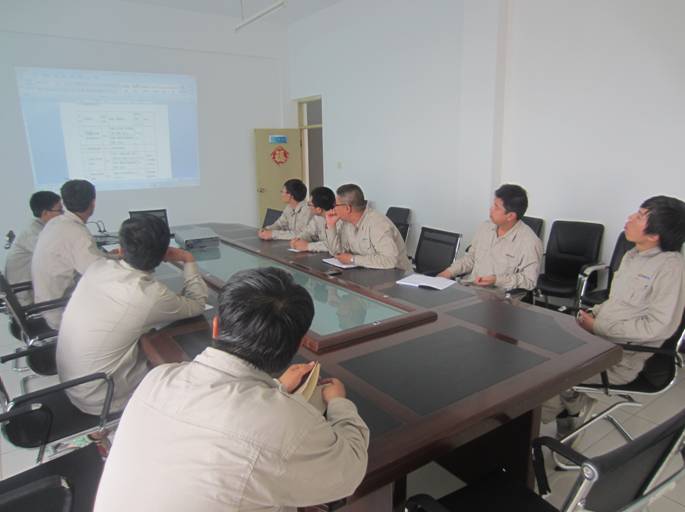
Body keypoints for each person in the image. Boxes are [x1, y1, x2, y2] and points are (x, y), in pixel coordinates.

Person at [94, 267, 369, 512]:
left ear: (215, 327)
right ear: (296, 346)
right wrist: (338, 404)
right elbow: (349, 472)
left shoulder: (159, 378)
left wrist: (276, 388)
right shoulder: (286, 424)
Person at [543, 195, 685, 430]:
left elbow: (657, 327)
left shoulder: (671, 268)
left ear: (654, 235)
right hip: (596, 340)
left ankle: (535, 425)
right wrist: (592, 313)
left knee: (545, 375)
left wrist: (597, 326)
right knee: (541, 352)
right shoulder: (632, 255)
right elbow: (616, 302)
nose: (630, 218)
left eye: (639, 216)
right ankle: (571, 408)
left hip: (620, 358)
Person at [56, 214, 208, 415]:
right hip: (102, 396)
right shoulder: (147, 295)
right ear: (165, 253)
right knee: (181, 368)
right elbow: (197, 304)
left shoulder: (98, 268)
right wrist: (188, 259)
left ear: (121, 248)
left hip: (73, 383)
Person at [438, 184, 543, 290]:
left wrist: (497, 280)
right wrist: (448, 272)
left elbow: (529, 281)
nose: (491, 209)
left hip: (498, 296)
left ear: (510, 216)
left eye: (496, 207)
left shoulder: (530, 242)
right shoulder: (486, 227)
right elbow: (471, 258)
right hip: (470, 288)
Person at [31, 179, 104, 328]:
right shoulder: (76, 232)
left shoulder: (56, 223)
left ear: (64, 202)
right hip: (60, 310)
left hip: (47, 302)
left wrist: (110, 257)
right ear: (93, 203)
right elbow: (97, 273)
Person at [324, 184, 412, 271]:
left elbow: (390, 260)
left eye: (336, 205)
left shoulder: (377, 224)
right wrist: (331, 225)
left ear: (347, 208)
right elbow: (338, 254)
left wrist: (353, 259)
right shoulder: (347, 223)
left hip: (396, 275)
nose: (333, 208)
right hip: (369, 273)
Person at [4, 191, 63, 305]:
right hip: (26, 296)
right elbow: (56, 257)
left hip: (32, 288)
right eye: (60, 211)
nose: (63, 214)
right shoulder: (33, 232)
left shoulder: (40, 228)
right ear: (45, 213)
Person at [290, 186, 336, 252]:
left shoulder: (339, 220)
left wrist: (308, 246)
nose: (308, 207)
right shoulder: (317, 218)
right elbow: (308, 232)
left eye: (309, 204)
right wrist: (298, 239)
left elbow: (334, 246)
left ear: (319, 209)